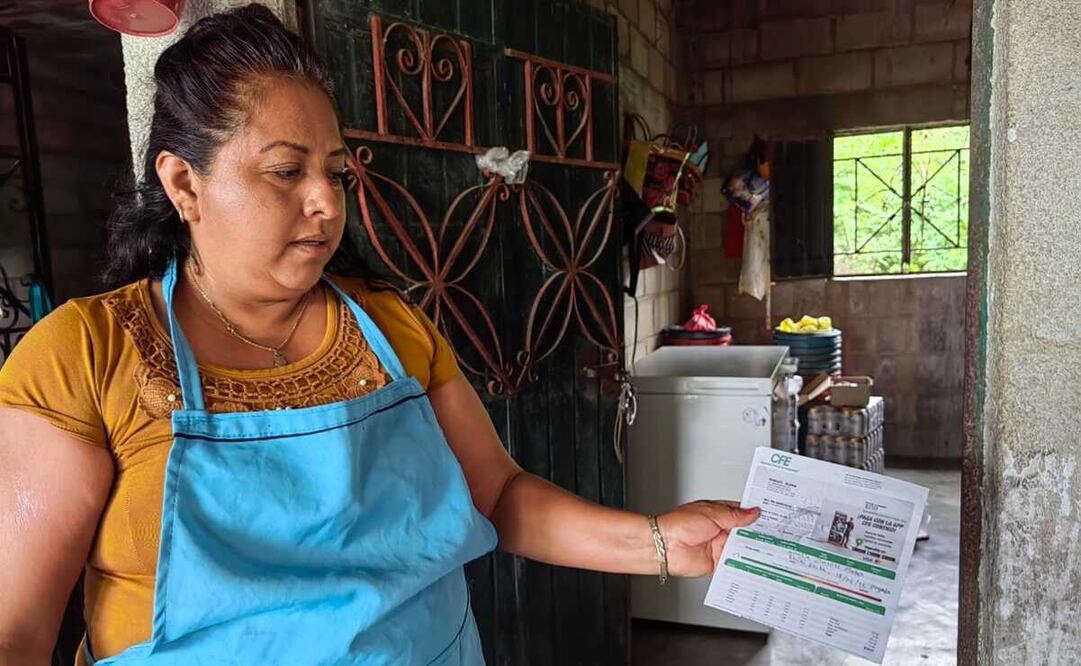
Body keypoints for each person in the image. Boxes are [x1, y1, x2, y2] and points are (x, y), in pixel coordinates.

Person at [0, 6, 758, 665]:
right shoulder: (88, 354)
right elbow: (16, 632)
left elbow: (495, 495)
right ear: (184, 184)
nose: (325, 203)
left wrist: (660, 542)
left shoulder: (389, 327)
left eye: (334, 172)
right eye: (285, 172)